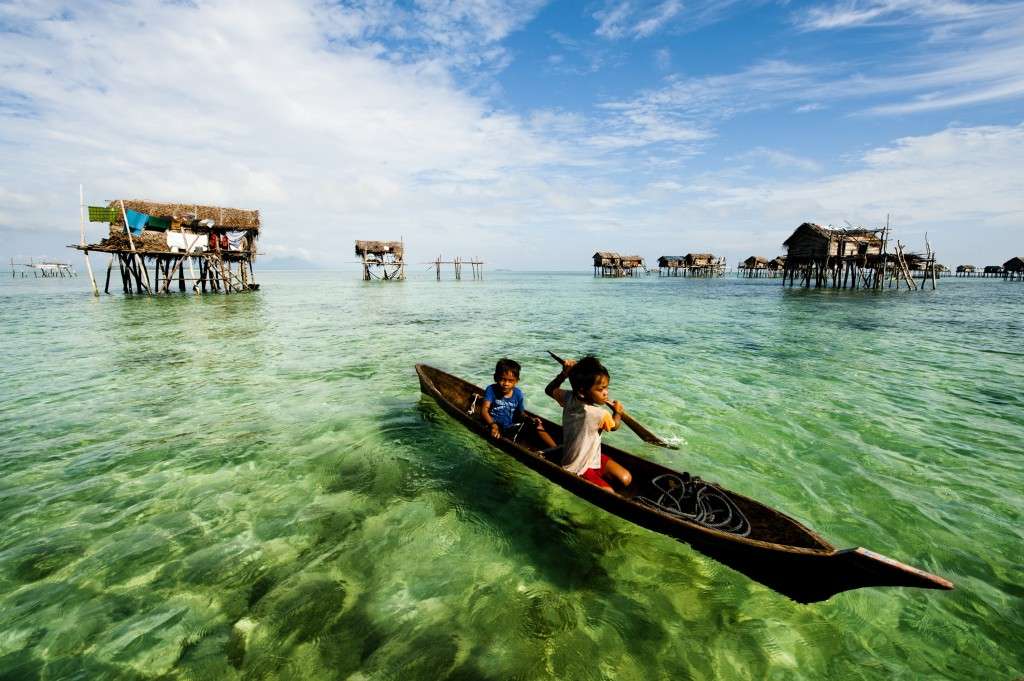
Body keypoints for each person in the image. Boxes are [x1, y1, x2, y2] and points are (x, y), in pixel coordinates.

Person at [545, 356, 632, 491]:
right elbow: (615, 426)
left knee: (625, 478)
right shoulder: (600, 414)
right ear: (582, 391)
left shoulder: (569, 397)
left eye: (606, 388)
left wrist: (563, 374)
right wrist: (618, 413)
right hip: (577, 466)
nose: (606, 393)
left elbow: (549, 389)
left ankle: (598, 478)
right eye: (600, 389)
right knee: (611, 492)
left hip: (592, 457)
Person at [481, 359, 557, 449]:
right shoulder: (491, 390)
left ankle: (555, 449)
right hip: (495, 425)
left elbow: (521, 413)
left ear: (516, 381)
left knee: (537, 426)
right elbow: (484, 410)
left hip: (510, 427)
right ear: (495, 378)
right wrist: (493, 425)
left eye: (510, 381)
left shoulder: (518, 394)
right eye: (502, 379)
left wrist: (531, 419)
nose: (506, 384)